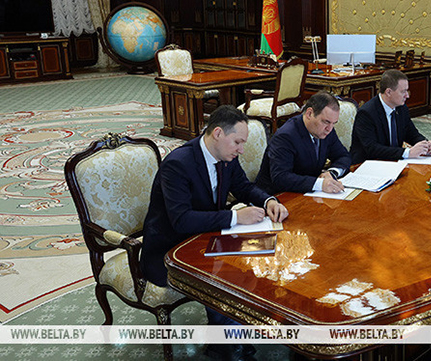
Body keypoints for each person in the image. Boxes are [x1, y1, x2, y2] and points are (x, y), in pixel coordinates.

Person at [140, 105, 287, 359]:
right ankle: (228, 346)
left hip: (206, 237)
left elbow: (243, 187)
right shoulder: (178, 164)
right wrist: (235, 217)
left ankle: (236, 334)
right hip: (171, 249)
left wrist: (268, 201)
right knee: (226, 277)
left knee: (258, 260)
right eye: (238, 142)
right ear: (218, 133)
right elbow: (181, 221)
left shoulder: (226, 156)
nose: (241, 149)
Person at [255, 91, 351, 195]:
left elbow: (343, 156)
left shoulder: (326, 131)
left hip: (307, 194)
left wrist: (332, 173)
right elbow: (281, 178)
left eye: (334, 123)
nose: (329, 129)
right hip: (277, 196)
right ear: (309, 114)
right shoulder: (286, 136)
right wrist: (320, 184)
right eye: (326, 122)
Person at [349, 69, 431, 164]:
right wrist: (407, 153)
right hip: (367, 164)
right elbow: (372, 149)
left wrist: (425, 144)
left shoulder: (401, 108)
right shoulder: (366, 113)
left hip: (394, 161)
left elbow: (411, 133)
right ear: (388, 92)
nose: (407, 96)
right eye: (403, 92)